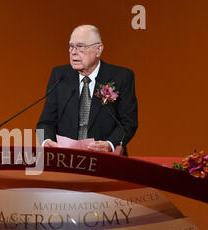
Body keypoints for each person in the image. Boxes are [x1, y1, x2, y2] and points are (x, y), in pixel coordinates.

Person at [37, 25, 138, 155]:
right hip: (66, 161)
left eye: (80, 47)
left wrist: (110, 145)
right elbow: (43, 123)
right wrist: (45, 142)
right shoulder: (59, 75)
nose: (73, 52)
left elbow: (129, 123)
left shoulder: (122, 77)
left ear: (98, 50)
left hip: (106, 159)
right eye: (71, 46)